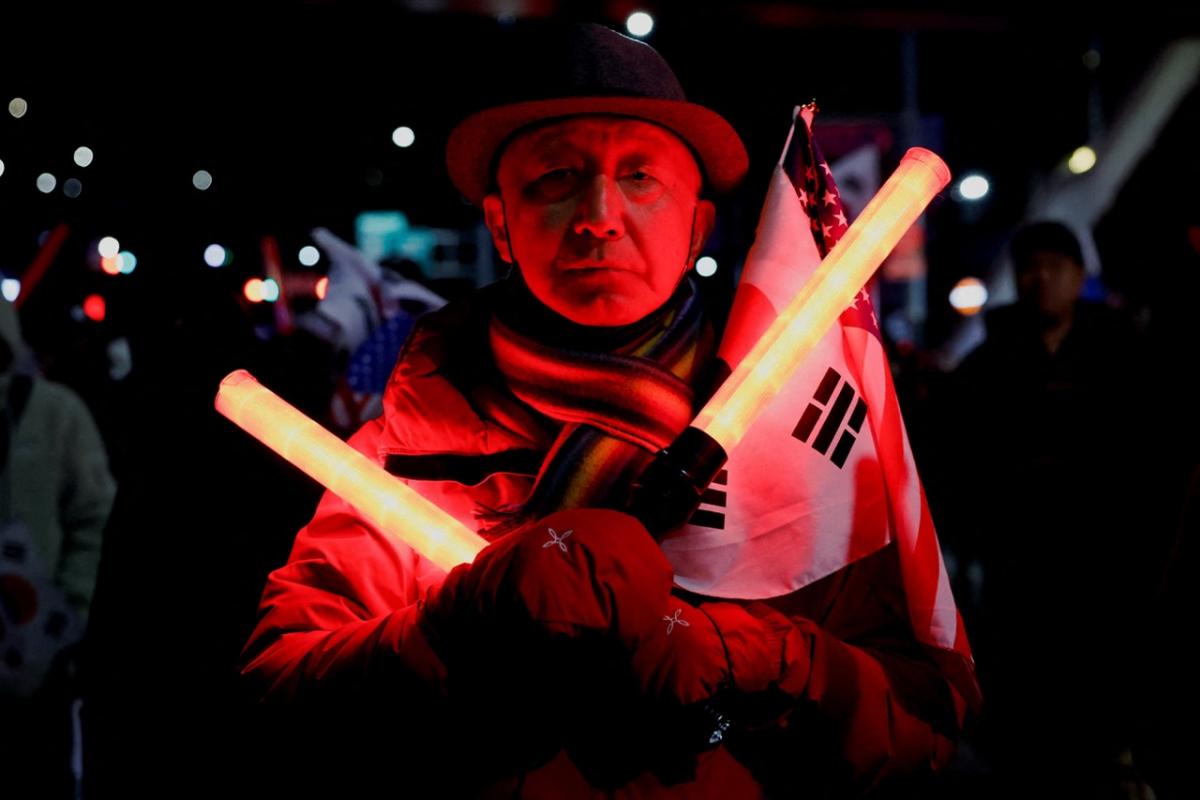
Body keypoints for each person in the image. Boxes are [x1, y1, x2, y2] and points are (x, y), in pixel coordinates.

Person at [240, 22, 972, 797]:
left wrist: (755, 655)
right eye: (555, 178)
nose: (598, 214)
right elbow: (280, 696)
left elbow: (923, 719)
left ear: (698, 227)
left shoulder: (805, 448)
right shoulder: (401, 453)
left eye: (639, 178)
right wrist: (459, 622)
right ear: (501, 226)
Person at [939, 221, 1159, 797]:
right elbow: (956, 455)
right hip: (1018, 558)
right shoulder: (986, 367)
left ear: (1078, 277)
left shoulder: (1124, 357)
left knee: (1104, 680)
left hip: (1106, 554)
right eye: (1031, 268)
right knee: (1026, 693)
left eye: (1056, 267)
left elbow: (1150, 452)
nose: (1042, 279)